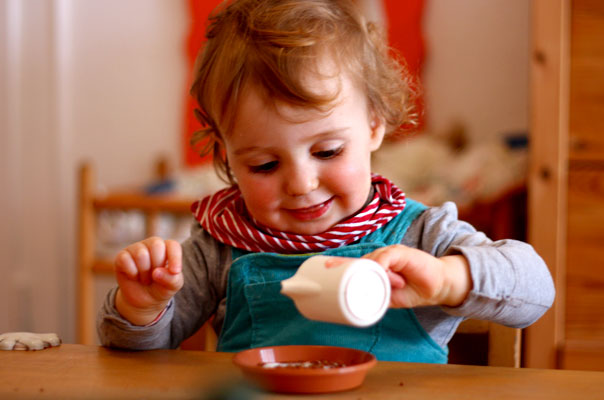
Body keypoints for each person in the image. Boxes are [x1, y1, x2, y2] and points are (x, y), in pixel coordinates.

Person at [98, 0, 554, 363]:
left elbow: (536, 289)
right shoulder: (221, 246)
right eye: (263, 165)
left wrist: (448, 277)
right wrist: (140, 308)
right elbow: (138, 353)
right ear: (226, 156)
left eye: (327, 152)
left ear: (375, 124)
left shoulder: (420, 235)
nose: (300, 183)